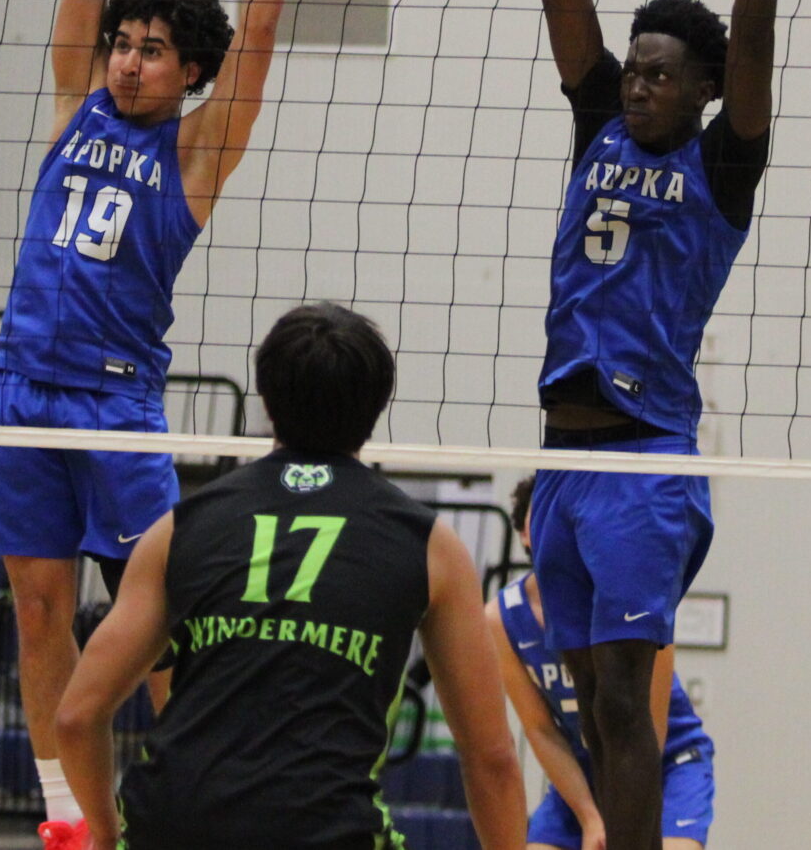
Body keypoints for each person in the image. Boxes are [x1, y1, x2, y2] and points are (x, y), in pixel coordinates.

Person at [0, 0, 336, 847]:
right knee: (37, 609)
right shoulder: (75, 102)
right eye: (123, 44)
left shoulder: (194, 155)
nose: (128, 61)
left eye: (154, 50)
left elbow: (262, 30)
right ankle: (65, 813)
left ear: (189, 73)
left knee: (161, 625)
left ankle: (188, 807)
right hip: (19, 393)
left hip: (116, 406)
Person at [518, 0, 811, 850]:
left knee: (629, 714)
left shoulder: (720, 162)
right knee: (591, 712)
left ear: (697, 92)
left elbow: (755, 33)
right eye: (632, 69)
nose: (637, 85)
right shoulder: (596, 122)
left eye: (659, 75)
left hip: (644, 461)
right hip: (558, 459)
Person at [55, 302, 525, 850]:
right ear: (376, 407)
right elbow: (491, 757)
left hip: (171, 824)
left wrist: (108, 838)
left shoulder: (178, 528)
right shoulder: (431, 547)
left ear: (266, 399)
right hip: (324, 829)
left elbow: (76, 717)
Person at [489, 478, 714, 850]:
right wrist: (591, 817)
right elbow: (540, 730)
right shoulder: (500, 618)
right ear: (525, 534)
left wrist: (623, 814)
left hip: (665, 761)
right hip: (583, 769)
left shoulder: (631, 598)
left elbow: (649, 730)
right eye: (541, 514)